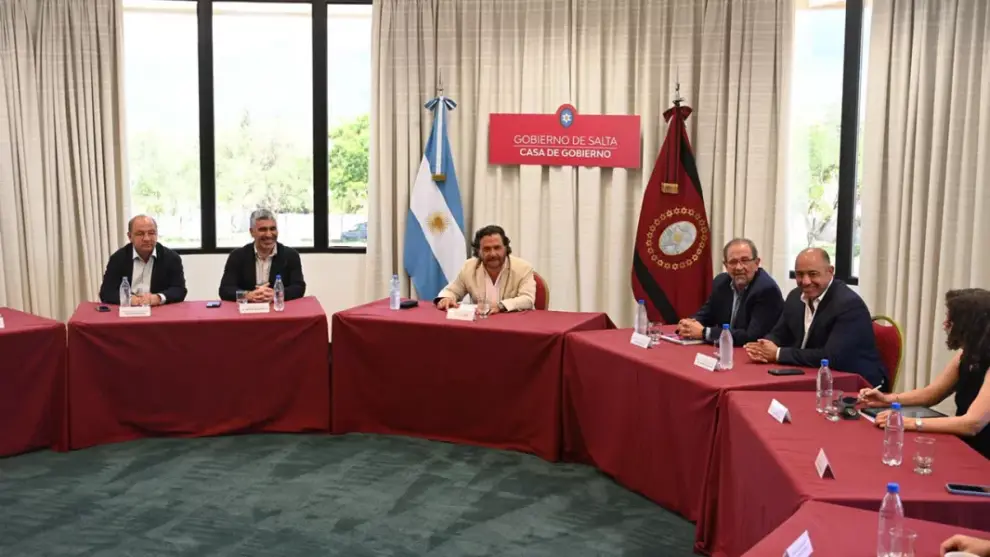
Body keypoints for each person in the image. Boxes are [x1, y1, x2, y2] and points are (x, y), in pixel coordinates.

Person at [860, 289, 990, 459]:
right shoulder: (967, 354)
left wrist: (910, 422)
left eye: (951, 320)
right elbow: (931, 394)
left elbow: (972, 424)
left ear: (970, 326)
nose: (944, 324)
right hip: (965, 443)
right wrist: (887, 399)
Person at [744, 247, 886, 388]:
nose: (805, 281)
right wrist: (764, 346)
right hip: (809, 375)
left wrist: (778, 354)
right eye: (799, 274)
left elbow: (831, 358)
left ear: (830, 271)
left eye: (813, 274)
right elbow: (779, 333)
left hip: (857, 384)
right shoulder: (795, 296)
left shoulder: (849, 305)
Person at [675, 238, 784, 344]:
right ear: (726, 266)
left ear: (756, 263)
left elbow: (752, 336)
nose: (739, 267)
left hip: (749, 352)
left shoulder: (767, 290)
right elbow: (706, 314)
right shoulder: (721, 282)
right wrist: (689, 324)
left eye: (745, 261)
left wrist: (705, 333)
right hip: (725, 349)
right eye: (733, 262)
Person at [434, 225, 535, 313]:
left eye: (497, 248)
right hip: (480, 323)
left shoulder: (523, 268)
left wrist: (501, 306)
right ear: (478, 251)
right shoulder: (469, 267)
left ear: (506, 248)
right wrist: (447, 298)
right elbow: (453, 291)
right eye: (487, 249)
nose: (493, 254)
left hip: (513, 323)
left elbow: (527, 299)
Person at [219, 209, 306, 303]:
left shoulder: (290, 255)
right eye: (263, 229)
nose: (269, 234)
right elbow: (225, 289)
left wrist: (277, 294)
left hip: (277, 309)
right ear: (252, 232)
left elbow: (299, 288)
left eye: (272, 229)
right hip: (248, 309)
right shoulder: (237, 256)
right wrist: (247, 295)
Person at [98, 215, 187, 306]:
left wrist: (158, 298)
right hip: (129, 309)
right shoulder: (118, 258)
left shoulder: (171, 258)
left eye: (151, 233)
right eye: (140, 234)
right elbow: (106, 292)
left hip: (158, 309)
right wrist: (129, 299)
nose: (146, 239)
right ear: (130, 236)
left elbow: (179, 290)